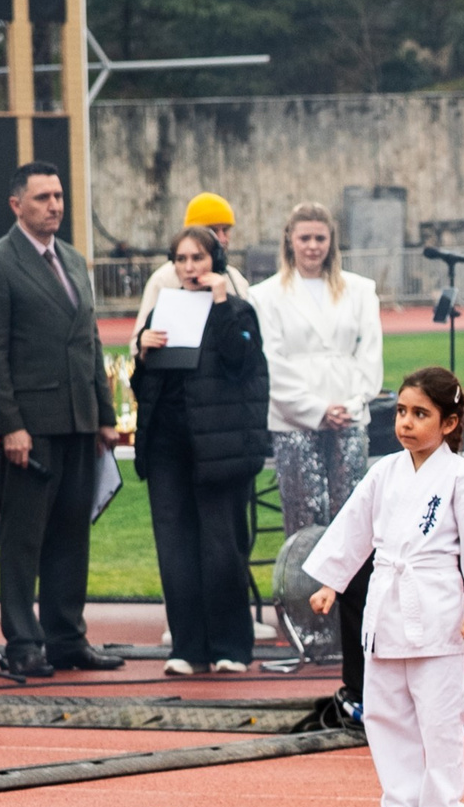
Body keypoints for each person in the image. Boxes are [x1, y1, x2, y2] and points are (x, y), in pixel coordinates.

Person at [303, 366, 464, 807]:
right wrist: (331, 583)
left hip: (438, 613)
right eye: (401, 411)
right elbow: (353, 529)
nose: (406, 422)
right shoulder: (383, 473)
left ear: (449, 424)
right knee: (385, 714)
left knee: (439, 718)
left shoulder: (463, 478)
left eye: (421, 413)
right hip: (386, 610)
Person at [0, 161, 122, 678]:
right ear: (16, 205)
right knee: (24, 538)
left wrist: (104, 414)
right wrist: (8, 424)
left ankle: (66, 637)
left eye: (58, 195)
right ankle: (23, 641)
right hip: (31, 427)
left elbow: (90, 343)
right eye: (42, 198)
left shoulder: (74, 261)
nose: (54, 205)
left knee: (71, 534)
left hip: (78, 421)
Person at [131, 226, 270, 676]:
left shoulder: (239, 310)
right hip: (169, 445)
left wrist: (222, 301)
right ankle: (187, 646)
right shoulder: (163, 312)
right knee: (175, 548)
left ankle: (231, 645)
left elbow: (241, 362)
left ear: (216, 262)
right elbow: (144, 388)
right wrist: (142, 355)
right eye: (181, 260)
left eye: (198, 258)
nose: (190, 268)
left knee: (221, 548)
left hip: (219, 447)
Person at [251, 203, 381, 534]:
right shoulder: (265, 296)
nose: (312, 246)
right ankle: (302, 586)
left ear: (331, 241)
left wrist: (351, 404)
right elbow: (271, 360)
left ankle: (352, 586)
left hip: (349, 414)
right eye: (305, 237)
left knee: (351, 514)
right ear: (289, 240)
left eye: (320, 238)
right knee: (303, 516)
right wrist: (317, 409)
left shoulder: (361, 290)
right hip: (292, 416)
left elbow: (369, 352)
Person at [136, 193, 253, 306]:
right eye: (213, 230)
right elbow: (145, 326)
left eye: (226, 230)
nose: (221, 238)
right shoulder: (163, 280)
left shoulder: (235, 279)